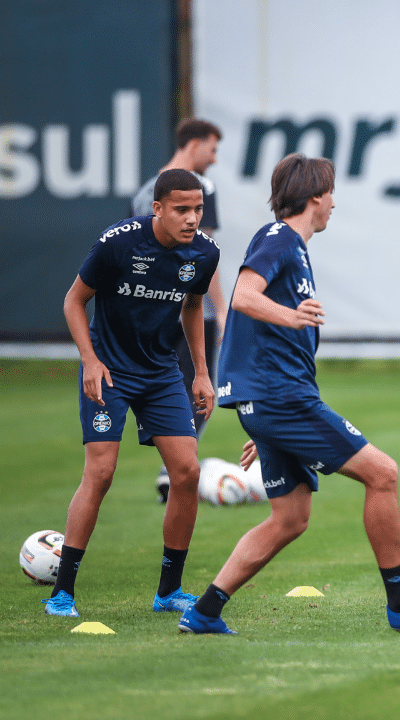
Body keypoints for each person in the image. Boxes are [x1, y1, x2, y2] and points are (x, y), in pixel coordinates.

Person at [178, 153, 400, 634]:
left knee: (289, 518)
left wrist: (264, 421)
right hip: (279, 398)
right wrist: (289, 321)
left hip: (271, 404)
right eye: (331, 193)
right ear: (315, 196)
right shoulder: (280, 237)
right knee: (383, 474)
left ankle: (204, 611)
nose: (334, 203)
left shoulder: (294, 247)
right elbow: (245, 295)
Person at [46, 169, 220, 618]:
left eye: (198, 209)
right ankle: (61, 593)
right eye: (182, 209)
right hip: (109, 372)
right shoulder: (118, 243)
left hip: (162, 373)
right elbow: (73, 300)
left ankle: (168, 591)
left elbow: (194, 305)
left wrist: (201, 372)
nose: (192, 219)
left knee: (187, 472)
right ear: (157, 208)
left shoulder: (204, 253)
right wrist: (89, 359)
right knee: (101, 473)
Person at [131, 118, 229, 503]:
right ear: (194, 144)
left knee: (165, 388)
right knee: (202, 390)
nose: (215, 159)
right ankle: (173, 469)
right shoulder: (200, 189)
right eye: (213, 148)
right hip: (192, 307)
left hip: (153, 309)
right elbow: (209, 254)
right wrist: (220, 308)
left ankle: (171, 468)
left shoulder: (145, 192)